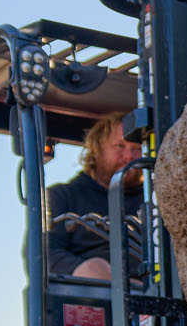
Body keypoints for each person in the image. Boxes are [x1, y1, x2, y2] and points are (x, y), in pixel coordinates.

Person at [45, 114, 143, 279]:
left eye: (137, 148)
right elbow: (45, 254)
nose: (129, 156)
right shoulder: (62, 196)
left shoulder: (155, 200)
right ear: (96, 150)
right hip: (90, 296)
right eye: (120, 146)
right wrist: (87, 271)